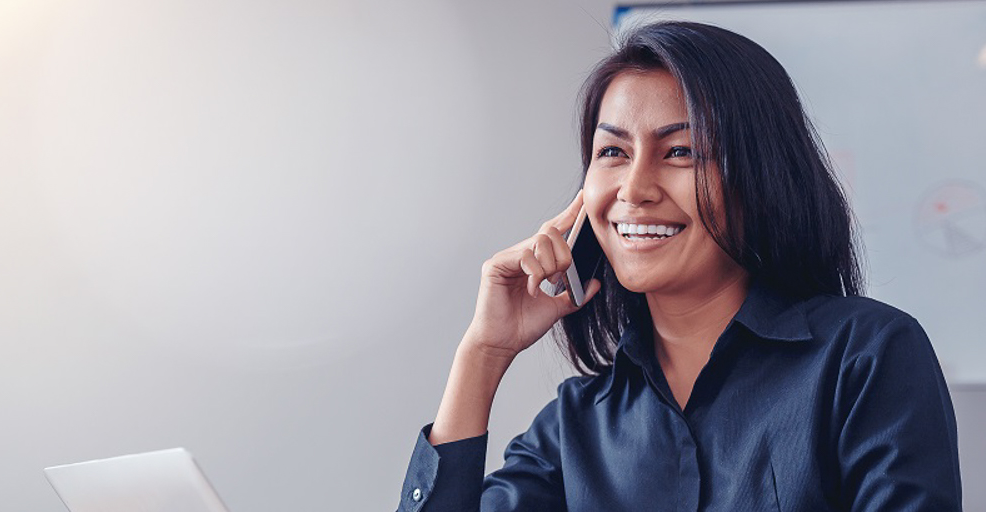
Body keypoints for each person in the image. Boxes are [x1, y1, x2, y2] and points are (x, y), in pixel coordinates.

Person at [396, 21, 961, 511]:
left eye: (681, 152)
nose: (634, 189)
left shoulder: (865, 357)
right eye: (612, 152)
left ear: (757, 177)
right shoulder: (574, 429)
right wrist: (483, 355)